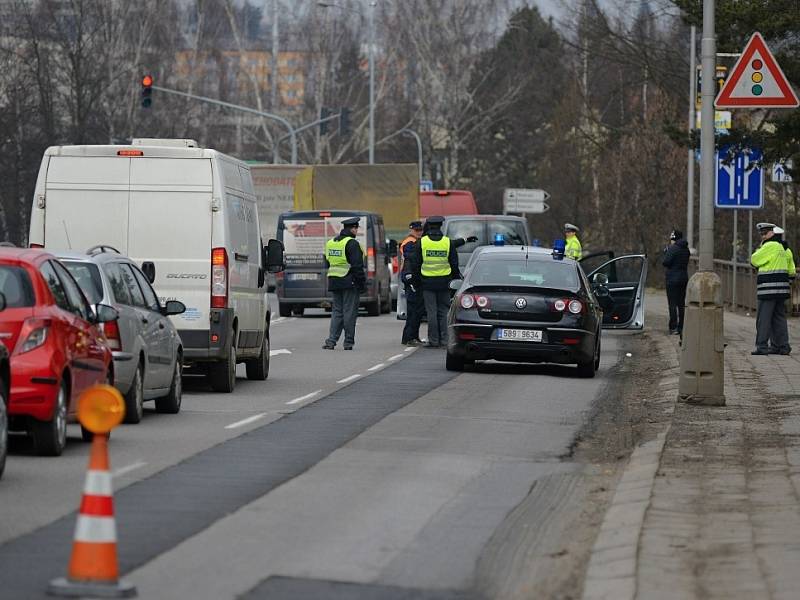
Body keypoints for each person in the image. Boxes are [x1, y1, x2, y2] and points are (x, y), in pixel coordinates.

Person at [408, 215, 461, 348]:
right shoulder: (447, 242)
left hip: (427, 283)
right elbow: (454, 264)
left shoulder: (422, 242)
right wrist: (455, 281)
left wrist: (415, 281)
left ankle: (433, 340)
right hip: (444, 283)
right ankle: (444, 341)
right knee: (443, 312)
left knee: (431, 312)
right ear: (440, 226)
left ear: (429, 226)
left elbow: (415, 263)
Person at [322, 217, 366, 350]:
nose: (357, 230)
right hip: (349, 281)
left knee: (337, 312)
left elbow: (327, 262)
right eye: (356, 228)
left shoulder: (331, 243)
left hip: (334, 281)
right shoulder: (352, 243)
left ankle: (331, 341)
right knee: (349, 312)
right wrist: (362, 284)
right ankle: (348, 342)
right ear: (353, 228)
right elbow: (357, 266)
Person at [751, 222, 791, 355]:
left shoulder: (769, 246)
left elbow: (754, 260)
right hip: (782, 289)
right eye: (761, 233)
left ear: (772, 233)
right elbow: (791, 271)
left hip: (768, 289)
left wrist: (758, 250)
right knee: (779, 318)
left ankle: (762, 346)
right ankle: (782, 346)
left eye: (765, 233)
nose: (762, 236)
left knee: (764, 318)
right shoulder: (783, 248)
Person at [400, 221, 425, 346]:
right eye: (417, 230)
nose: (419, 232)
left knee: (417, 311)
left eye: (420, 230)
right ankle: (409, 338)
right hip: (411, 280)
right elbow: (410, 259)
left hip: (414, 279)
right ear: (411, 230)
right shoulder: (409, 242)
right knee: (413, 311)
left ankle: (413, 336)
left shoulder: (416, 241)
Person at [662, 229, 690, 335]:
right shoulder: (686, 250)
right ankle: (681, 327)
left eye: (672, 239)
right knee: (681, 304)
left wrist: (667, 252)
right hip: (683, 279)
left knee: (672, 304)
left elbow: (666, 262)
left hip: (672, 280)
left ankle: (673, 327)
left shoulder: (673, 249)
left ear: (674, 239)